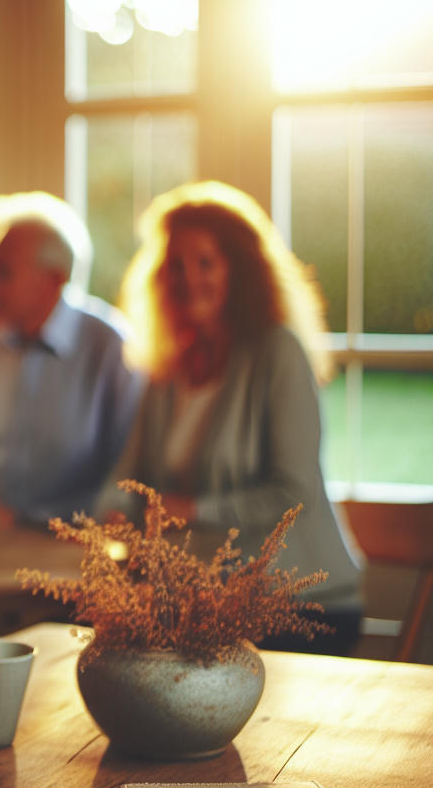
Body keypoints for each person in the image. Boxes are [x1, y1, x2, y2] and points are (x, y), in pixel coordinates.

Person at [96, 180, 363, 652]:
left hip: (301, 606)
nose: (188, 278)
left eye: (205, 262)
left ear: (240, 271)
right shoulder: (168, 367)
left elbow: (292, 495)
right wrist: (111, 511)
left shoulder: (278, 352)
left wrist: (193, 510)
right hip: (207, 604)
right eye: (175, 265)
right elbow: (127, 476)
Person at [0, 191, 142, 528]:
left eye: (2, 273)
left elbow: (126, 487)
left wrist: (23, 519)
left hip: (75, 543)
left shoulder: (111, 348)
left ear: (53, 280)